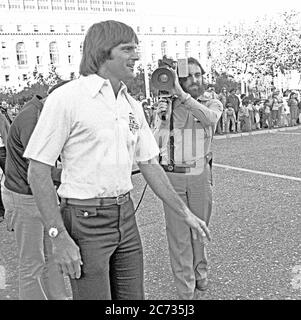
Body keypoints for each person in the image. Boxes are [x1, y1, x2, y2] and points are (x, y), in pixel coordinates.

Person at [23, 20, 210, 300]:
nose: (136, 56)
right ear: (102, 52)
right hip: (84, 220)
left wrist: (185, 213)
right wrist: (58, 236)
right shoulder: (66, 99)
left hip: (125, 216)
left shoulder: (130, 104)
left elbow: (149, 164)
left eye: (136, 48)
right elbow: (37, 172)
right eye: (127, 49)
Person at [153, 57, 222, 299]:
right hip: (173, 176)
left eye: (199, 74)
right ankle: (186, 288)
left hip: (200, 175)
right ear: (179, 79)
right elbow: (154, 144)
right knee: (178, 235)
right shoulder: (167, 105)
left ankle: (200, 271)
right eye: (189, 75)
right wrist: (160, 119)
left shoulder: (211, 103)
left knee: (199, 230)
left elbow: (210, 120)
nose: (196, 79)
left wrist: (182, 96)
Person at [1, 81, 70, 300]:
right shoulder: (32, 119)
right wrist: (72, 177)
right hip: (24, 197)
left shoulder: (41, 112)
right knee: (32, 263)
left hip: (37, 195)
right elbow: (39, 170)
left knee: (53, 256)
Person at [0, 111, 10, 223]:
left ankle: (12, 211)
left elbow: (8, 130)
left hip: (2, 150)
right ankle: (1, 211)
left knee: (11, 179)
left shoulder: (1, 116)